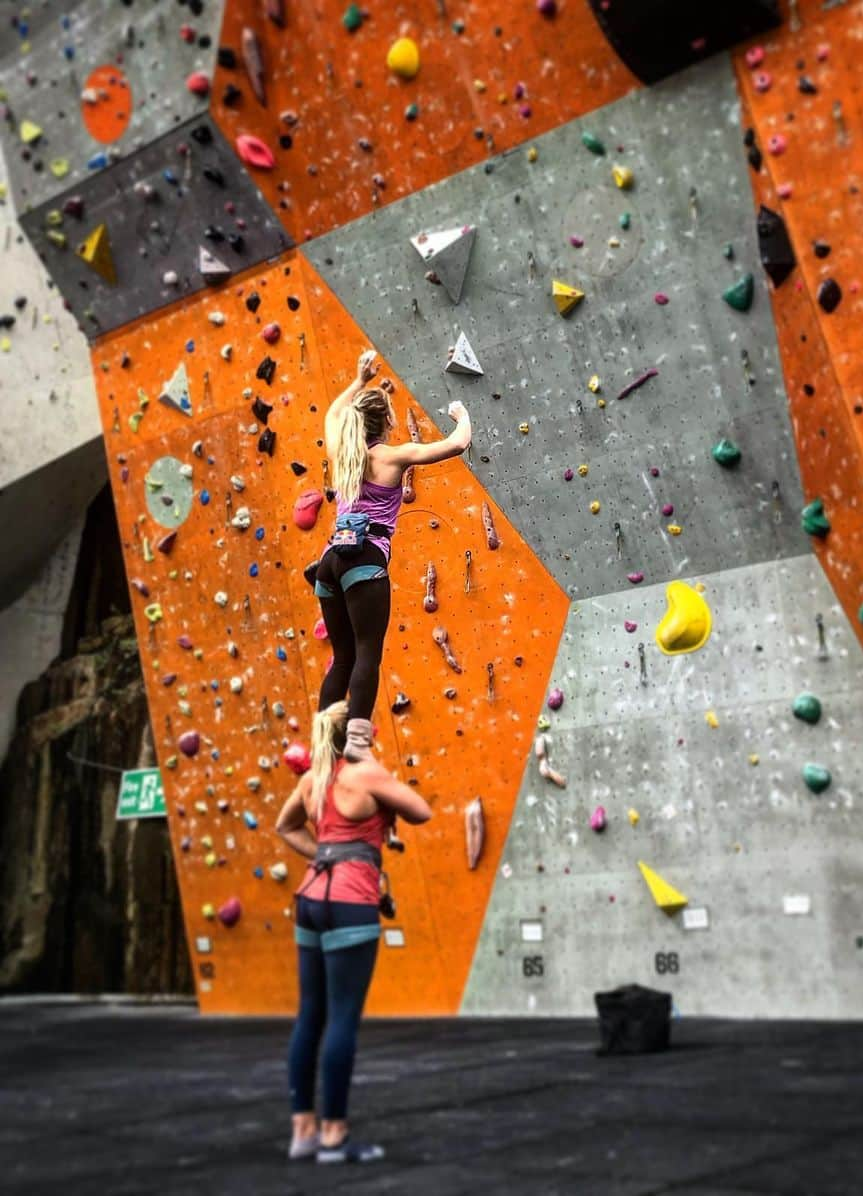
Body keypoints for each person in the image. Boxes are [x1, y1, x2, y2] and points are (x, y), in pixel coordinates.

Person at [276, 700, 433, 1164]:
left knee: (311, 1017)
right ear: (358, 735)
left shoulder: (313, 781)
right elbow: (420, 810)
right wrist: (373, 766)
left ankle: (303, 1130)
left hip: (310, 899)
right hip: (350, 902)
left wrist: (323, 853)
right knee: (342, 1019)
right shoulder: (365, 775)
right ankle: (334, 1136)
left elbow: (285, 826)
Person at [314, 350, 472, 761]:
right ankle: (357, 746)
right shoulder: (390, 456)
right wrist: (460, 412)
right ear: (384, 422)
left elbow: (333, 413)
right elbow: (457, 444)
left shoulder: (343, 453)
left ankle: (325, 741)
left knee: (343, 658)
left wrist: (358, 379)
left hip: (330, 562)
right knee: (368, 653)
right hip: (364, 561)